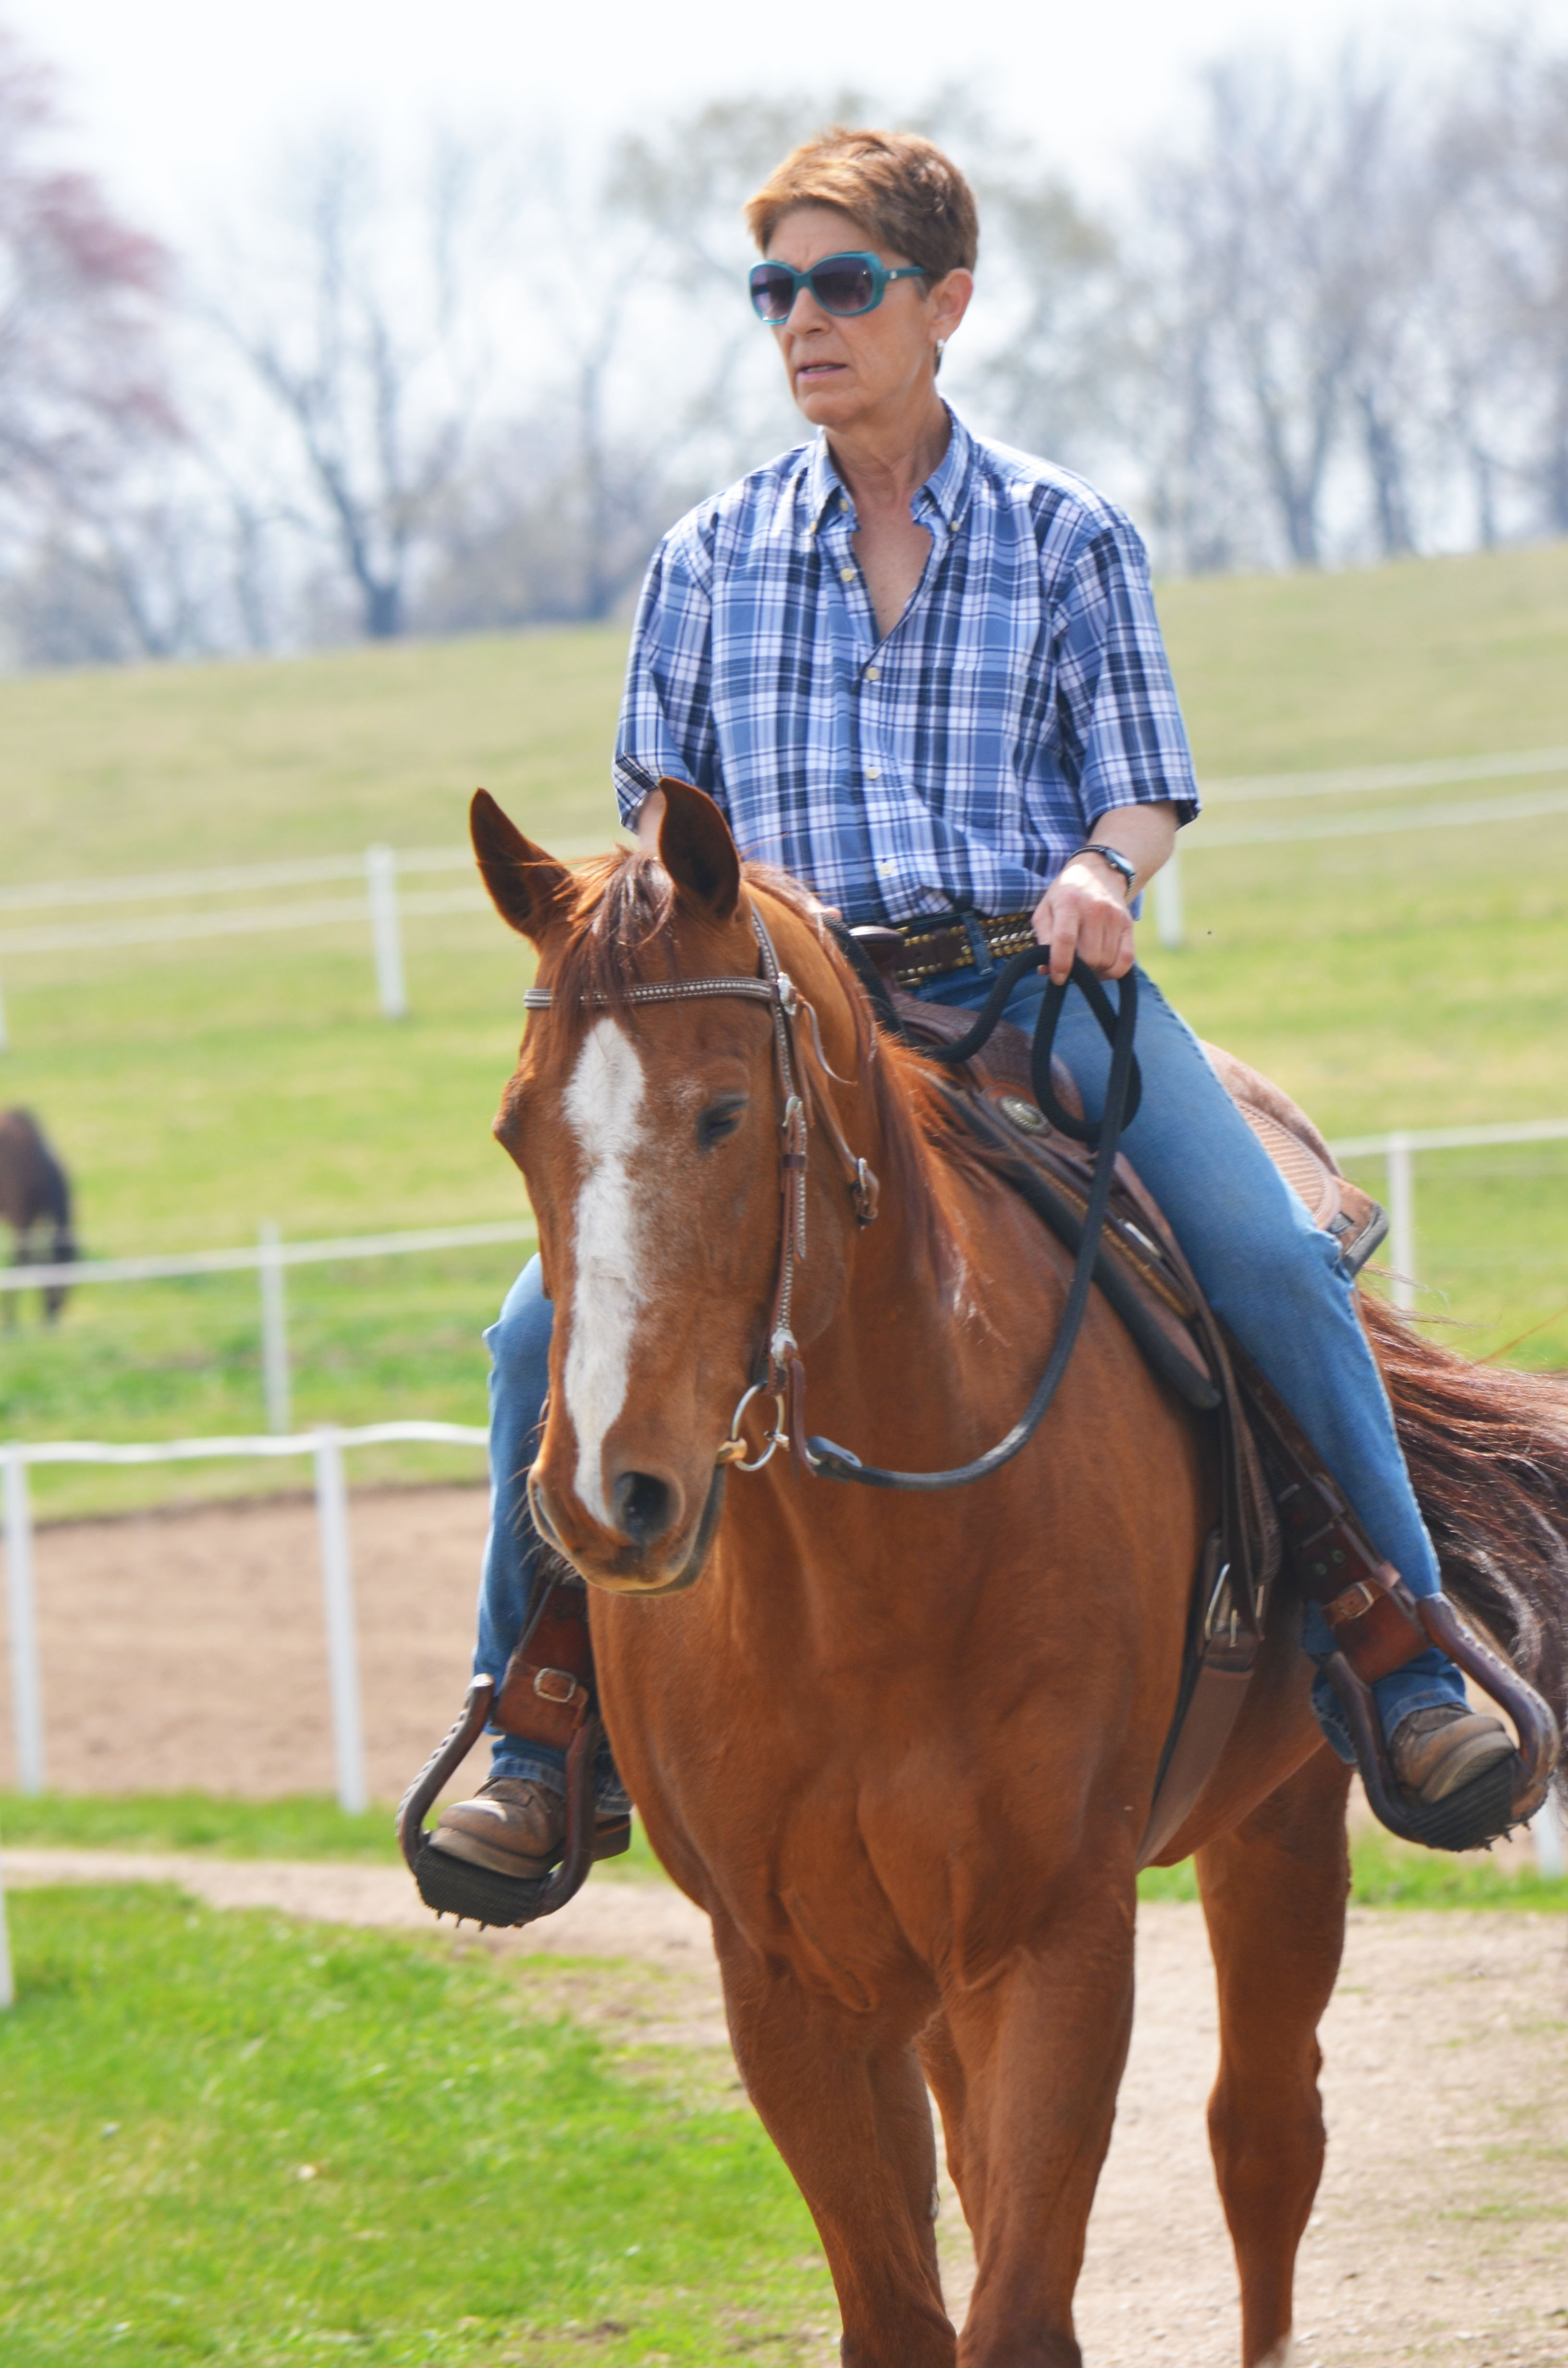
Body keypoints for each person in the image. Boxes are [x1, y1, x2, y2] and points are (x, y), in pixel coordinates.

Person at [430, 126, 1511, 1887]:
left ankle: (1403, 1651)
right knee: (534, 1338)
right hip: (782, 1035)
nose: (803, 320)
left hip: (1031, 993)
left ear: (945, 304)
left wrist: (1104, 870)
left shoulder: (1066, 531)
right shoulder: (703, 558)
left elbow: (1145, 781)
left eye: (842, 284)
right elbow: (659, 815)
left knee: (1264, 1263)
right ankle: (537, 1720)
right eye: (774, 288)